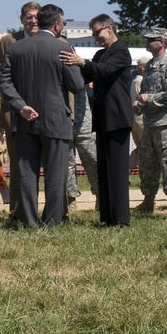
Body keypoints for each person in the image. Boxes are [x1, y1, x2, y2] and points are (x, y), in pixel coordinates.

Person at [0, 4, 83, 228]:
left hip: (24, 120)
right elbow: (76, 86)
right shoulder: (63, 48)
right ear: (56, 25)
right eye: (62, 24)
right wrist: (76, 63)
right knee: (56, 174)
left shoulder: (16, 48)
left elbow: (3, 81)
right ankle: (52, 221)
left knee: (26, 174)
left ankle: (28, 221)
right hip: (56, 121)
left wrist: (20, 106)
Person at [61, 14, 133, 226]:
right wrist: (72, 68)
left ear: (109, 28)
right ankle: (108, 217)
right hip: (103, 118)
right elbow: (88, 76)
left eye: (97, 32)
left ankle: (120, 219)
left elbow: (105, 70)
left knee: (118, 171)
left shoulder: (121, 51)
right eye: (93, 34)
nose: (95, 38)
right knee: (105, 170)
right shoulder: (101, 53)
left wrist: (82, 62)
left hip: (118, 118)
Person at [0, 2, 40, 224]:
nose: (33, 21)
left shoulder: (56, 41)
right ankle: (18, 214)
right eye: (29, 17)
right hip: (14, 112)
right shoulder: (9, 41)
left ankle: (59, 212)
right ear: (21, 19)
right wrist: (1, 89)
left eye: (37, 17)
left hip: (46, 112)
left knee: (55, 163)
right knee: (19, 164)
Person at [135, 28, 167, 212]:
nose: (147, 42)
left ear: (162, 41)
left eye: (151, 39)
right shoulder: (151, 64)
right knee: (147, 162)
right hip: (150, 122)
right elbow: (146, 91)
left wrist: (150, 99)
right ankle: (148, 199)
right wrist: (140, 104)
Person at [128, 55, 148, 172]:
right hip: (141, 118)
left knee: (140, 148)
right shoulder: (140, 81)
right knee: (145, 149)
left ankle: (125, 170)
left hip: (135, 119)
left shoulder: (135, 80)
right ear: (143, 67)